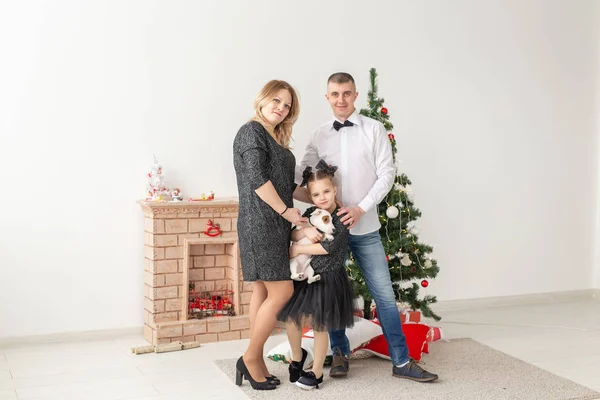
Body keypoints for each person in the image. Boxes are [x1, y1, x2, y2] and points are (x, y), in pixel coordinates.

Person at [295, 72, 439, 382]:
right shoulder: (319, 134)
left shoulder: (375, 129)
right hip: (329, 233)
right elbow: (302, 176)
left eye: (346, 93)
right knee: (330, 293)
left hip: (365, 227)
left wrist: (360, 208)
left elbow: (386, 174)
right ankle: (340, 354)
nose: (341, 100)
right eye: (335, 94)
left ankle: (401, 362)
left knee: (384, 296)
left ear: (356, 95)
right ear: (327, 97)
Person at [233, 79, 307, 391]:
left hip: (274, 224)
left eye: (287, 104)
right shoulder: (252, 131)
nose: (281, 107)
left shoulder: (273, 137)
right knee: (282, 293)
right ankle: (250, 357)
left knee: (263, 292)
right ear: (263, 99)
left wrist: (320, 196)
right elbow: (257, 180)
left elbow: (284, 186)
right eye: (276, 100)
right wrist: (287, 212)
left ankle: (256, 359)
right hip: (260, 223)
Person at [277, 160, 356, 390]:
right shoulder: (312, 212)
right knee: (292, 318)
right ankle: (296, 356)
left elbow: (328, 248)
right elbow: (293, 233)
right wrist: (304, 230)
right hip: (305, 276)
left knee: (321, 324)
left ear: (334, 191)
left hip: (327, 276)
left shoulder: (341, 217)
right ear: (310, 197)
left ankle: (318, 370)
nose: (322, 198)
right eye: (316, 194)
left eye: (326, 192)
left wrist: (299, 249)